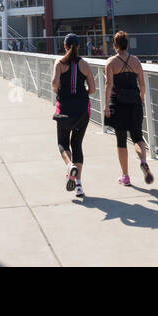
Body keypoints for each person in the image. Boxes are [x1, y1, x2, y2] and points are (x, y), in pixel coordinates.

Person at [104, 31, 153, 186]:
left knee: (121, 140)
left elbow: (108, 85)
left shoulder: (111, 62)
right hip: (135, 103)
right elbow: (142, 84)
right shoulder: (136, 61)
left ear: (115, 45)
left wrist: (106, 105)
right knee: (137, 137)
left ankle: (125, 176)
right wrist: (142, 99)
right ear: (127, 44)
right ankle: (143, 161)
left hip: (118, 103)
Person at [51, 33, 95, 198]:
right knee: (77, 145)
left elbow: (54, 84)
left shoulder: (60, 63)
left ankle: (69, 166)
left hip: (64, 111)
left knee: (63, 143)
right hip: (83, 111)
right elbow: (92, 90)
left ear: (64, 46)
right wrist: (80, 91)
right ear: (78, 46)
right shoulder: (84, 64)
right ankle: (78, 186)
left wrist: (62, 90)